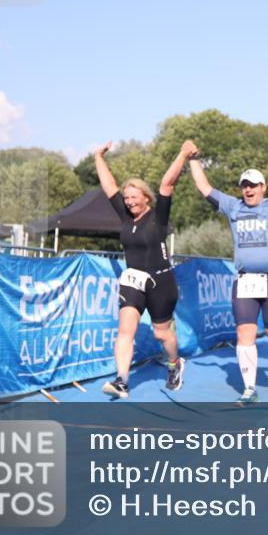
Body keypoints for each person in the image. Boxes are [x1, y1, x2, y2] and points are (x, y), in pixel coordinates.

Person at [187, 142, 268, 405]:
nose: (248, 189)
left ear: (263, 187)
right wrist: (193, 159)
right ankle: (249, 389)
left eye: (253, 185)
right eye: (245, 185)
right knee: (244, 334)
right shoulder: (233, 207)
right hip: (245, 281)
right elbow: (204, 187)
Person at [95, 139, 191, 399]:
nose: (128, 202)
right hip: (134, 281)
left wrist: (182, 154)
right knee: (125, 330)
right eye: (126, 198)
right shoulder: (126, 217)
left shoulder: (158, 217)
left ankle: (174, 364)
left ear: (146, 198)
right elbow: (109, 186)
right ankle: (122, 381)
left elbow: (167, 184)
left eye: (134, 198)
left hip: (161, 283)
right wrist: (98, 157)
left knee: (162, 334)